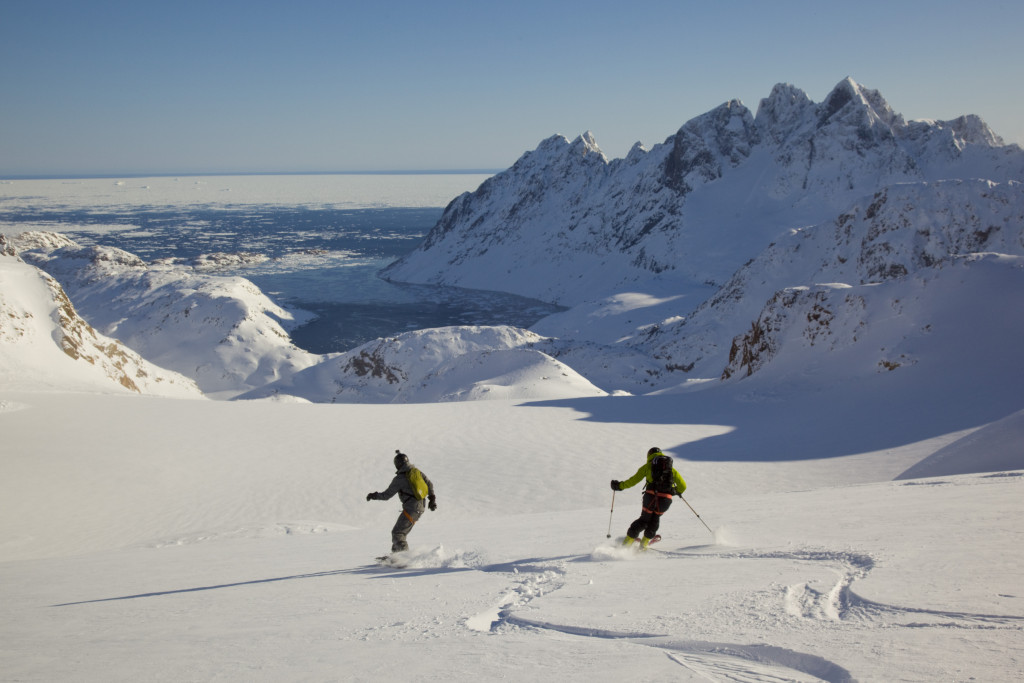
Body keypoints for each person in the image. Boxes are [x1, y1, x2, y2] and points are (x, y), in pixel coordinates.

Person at [610, 447, 686, 550]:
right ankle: (644, 543)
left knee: (644, 520)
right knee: (655, 520)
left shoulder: (647, 467)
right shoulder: (671, 469)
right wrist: (674, 491)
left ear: (649, 455)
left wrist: (619, 486)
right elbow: (683, 486)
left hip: (651, 497)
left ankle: (626, 544)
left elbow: (633, 481)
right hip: (665, 500)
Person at [366, 450, 437, 554]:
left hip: (412, 508)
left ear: (397, 465)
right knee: (399, 532)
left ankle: (403, 558)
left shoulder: (400, 478)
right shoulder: (417, 472)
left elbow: (386, 495)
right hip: (420, 506)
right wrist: (432, 500)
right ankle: (396, 555)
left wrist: (374, 495)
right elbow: (429, 484)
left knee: (398, 533)